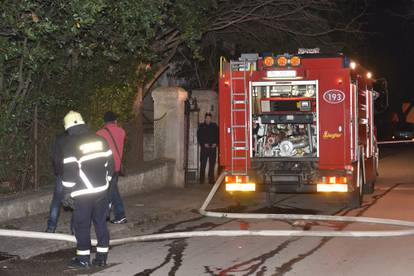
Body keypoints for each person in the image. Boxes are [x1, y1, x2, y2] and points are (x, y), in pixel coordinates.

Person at [61, 111, 114, 268]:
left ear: (69, 128)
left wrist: (66, 192)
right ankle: (102, 258)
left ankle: (83, 260)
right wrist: (106, 182)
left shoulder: (70, 145)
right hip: (102, 191)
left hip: (83, 193)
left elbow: (70, 173)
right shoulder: (100, 139)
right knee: (101, 224)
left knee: (82, 225)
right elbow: (111, 166)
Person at [96, 111, 127, 224]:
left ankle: (106, 215)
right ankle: (120, 215)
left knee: (107, 192)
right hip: (117, 166)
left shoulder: (99, 133)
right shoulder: (122, 131)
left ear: (104, 121)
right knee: (113, 190)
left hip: (105, 167)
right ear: (115, 120)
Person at [45, 130, 75, 234]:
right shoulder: (76, 138)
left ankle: (51, 227)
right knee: (76, 201)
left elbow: (55, 157)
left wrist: (58, 172)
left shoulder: (59, 139)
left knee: (56, 201)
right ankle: (74, 229)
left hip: (61, 175)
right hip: (74, 174)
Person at [197, 112, 219, 184]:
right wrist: (203, 144)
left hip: (212, 148)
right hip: (204, 149)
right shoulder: (201, 126)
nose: (208, 119)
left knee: (212, 164)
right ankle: (201, 180)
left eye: (209, 118)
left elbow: (218, 135)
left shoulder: (214, 126)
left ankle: (211, 180)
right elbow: (199, 136)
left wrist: (216, 143)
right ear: (205, 118)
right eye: (207, 118)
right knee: (203, 164)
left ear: (211, 119)